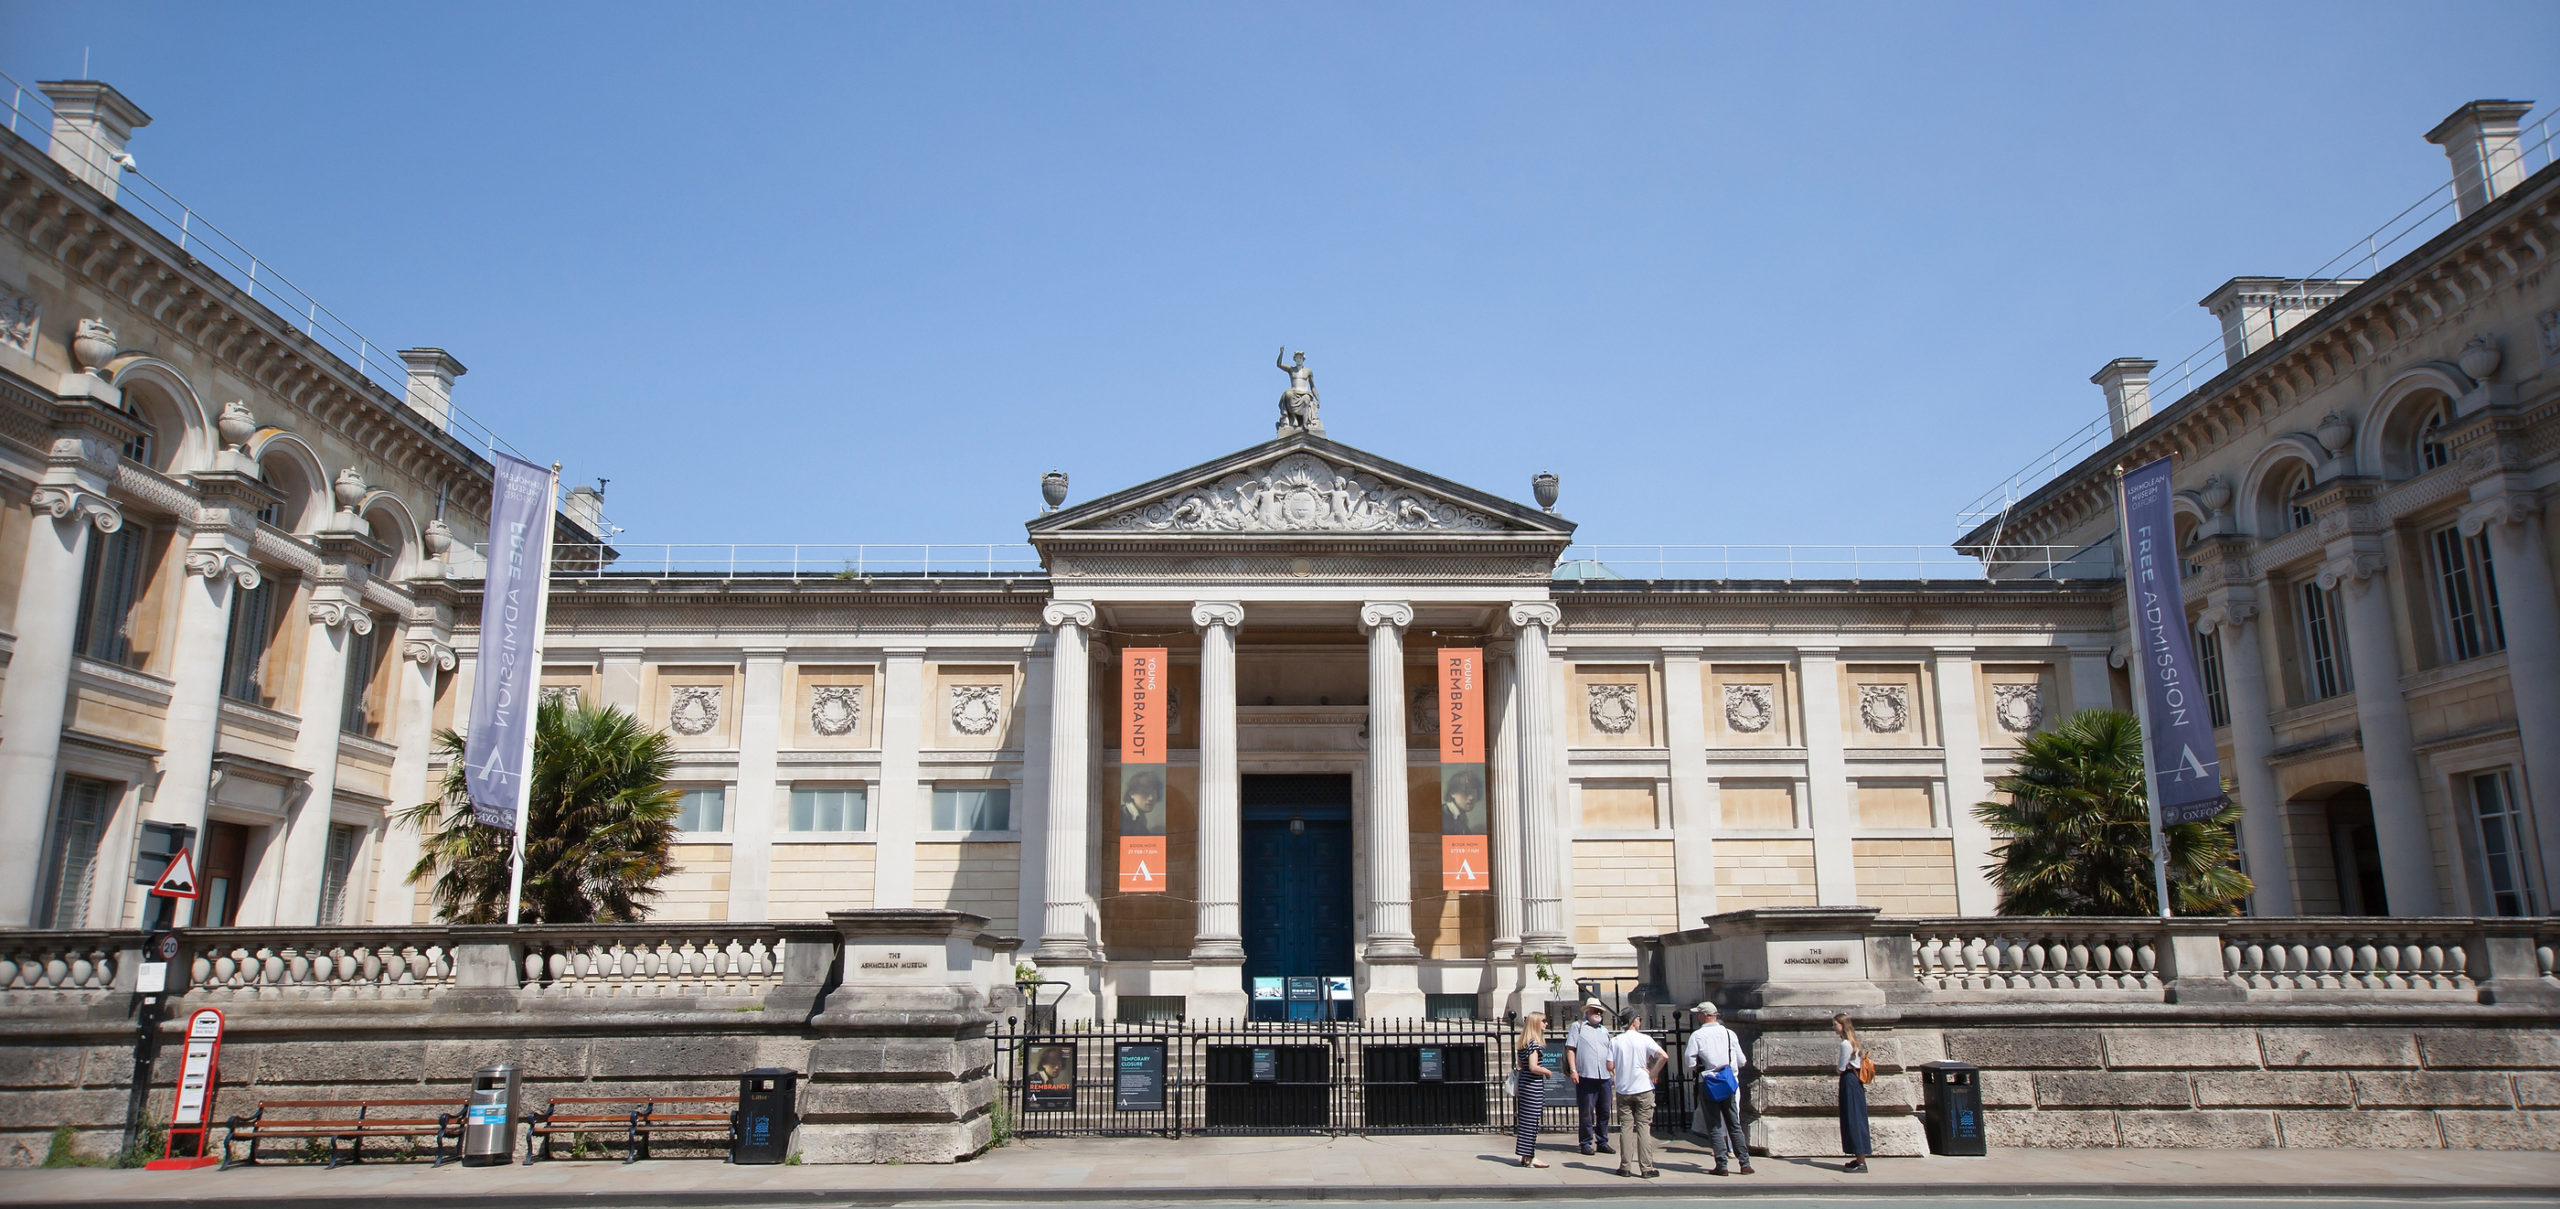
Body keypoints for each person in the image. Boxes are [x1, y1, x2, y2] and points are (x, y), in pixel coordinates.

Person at [1685, 1001, 1753, 1175]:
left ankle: (1721, 1165)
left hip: (1708, 1081)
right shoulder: (1729, 1033)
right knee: (1733, 1123)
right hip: (1727, 1081)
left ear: (1703, 1015)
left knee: (1714, 1125)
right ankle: (1744, 1163)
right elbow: (1742, 1060)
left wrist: (1701, 1064)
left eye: (1697, 1014)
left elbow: (1689, 1062)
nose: (1697, 1017)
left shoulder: (1698, 1036)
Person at [1604, 1012, 1666, 1179]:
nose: (1640, 1022)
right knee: (1644, 1127)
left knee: (1626, 1127)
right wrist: (1653, 1072)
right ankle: (1646, 1167)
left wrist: (1617, 1072)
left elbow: (1609, 1064)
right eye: (1639, 1018)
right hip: (1643, 1087)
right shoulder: (1644, 1039)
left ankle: (1625, 1166)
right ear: (1634, 1021)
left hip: (1624, 1088)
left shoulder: (1615, 1041)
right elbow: (1663, 1056)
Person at [1561, 999, 1615, 1156]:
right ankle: (1585, 1142)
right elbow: (1570, 1049)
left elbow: (1610, 1053)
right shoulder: (1577, 1027)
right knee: (1587, 1112)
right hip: (1586, 1075)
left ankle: (1602, 1141)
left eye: (1600, 1012)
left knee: (1604, 1110)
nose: (1598, 1014)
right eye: (1595, 1010)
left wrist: (1613, 1073)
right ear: (1587, 1011)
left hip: (1604, 1076)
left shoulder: (1604, 1030)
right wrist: (1573, 1070)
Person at [1511, 1012, 1553, 1167]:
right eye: (1543, 1021)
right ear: (1535, 1023)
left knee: (1526, 1120)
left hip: (1524, 1083)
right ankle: (1530, 1156)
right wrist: (1547, 1072)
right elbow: (1533, 1067)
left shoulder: (1523, 1043)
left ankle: (1525, 1155)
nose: (1546, 1024)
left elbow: (1521, 1065)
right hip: (1533, 1086)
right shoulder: (1534, 1044)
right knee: (1532, 1121)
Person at [1834, 1012, 1872, 1172]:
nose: (1833, 1027)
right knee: (1857, 1118)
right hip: (1856, 1082)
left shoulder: (1845, 1044)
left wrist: (1838, 1069)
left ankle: (1861, 1162)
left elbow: (1841, 1068)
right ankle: (1859, 1158)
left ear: (1842, 1026)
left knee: (1853, 1118)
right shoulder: (1854, 1042)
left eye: (1835, 1024)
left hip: (1849, 1080)